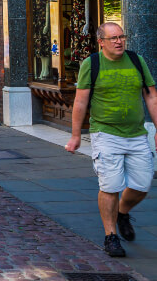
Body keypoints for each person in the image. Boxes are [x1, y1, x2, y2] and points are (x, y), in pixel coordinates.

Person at [66, 22, 157, 258]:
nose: (119, 41)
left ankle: (123, 212)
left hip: (137, 134)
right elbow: (80, 101)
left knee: (142, 184)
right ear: (101, 42)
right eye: (114, 38)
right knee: (110, 185)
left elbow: (152, 97)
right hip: (105, 134)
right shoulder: (92, 64)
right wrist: (76, 135)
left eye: (122, 37)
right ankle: (111, 236)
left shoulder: (137, 60)